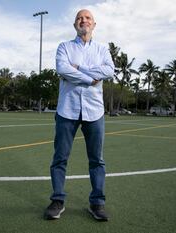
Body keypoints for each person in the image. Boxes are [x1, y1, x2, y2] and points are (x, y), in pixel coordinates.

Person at [44, 9, 114, 221]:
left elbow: (109, 71)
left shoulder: (102, 49)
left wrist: (80, 68)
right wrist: (91, 78)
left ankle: (97, 203)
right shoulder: (64, 47)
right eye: (79, 18)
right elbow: (63, 69)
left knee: (97, 160)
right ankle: (57, 200)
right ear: (75, 25)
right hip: (67, 110)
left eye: (87, 18)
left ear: (94, 24)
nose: (83, 20)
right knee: (60, 158)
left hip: (95, 111)